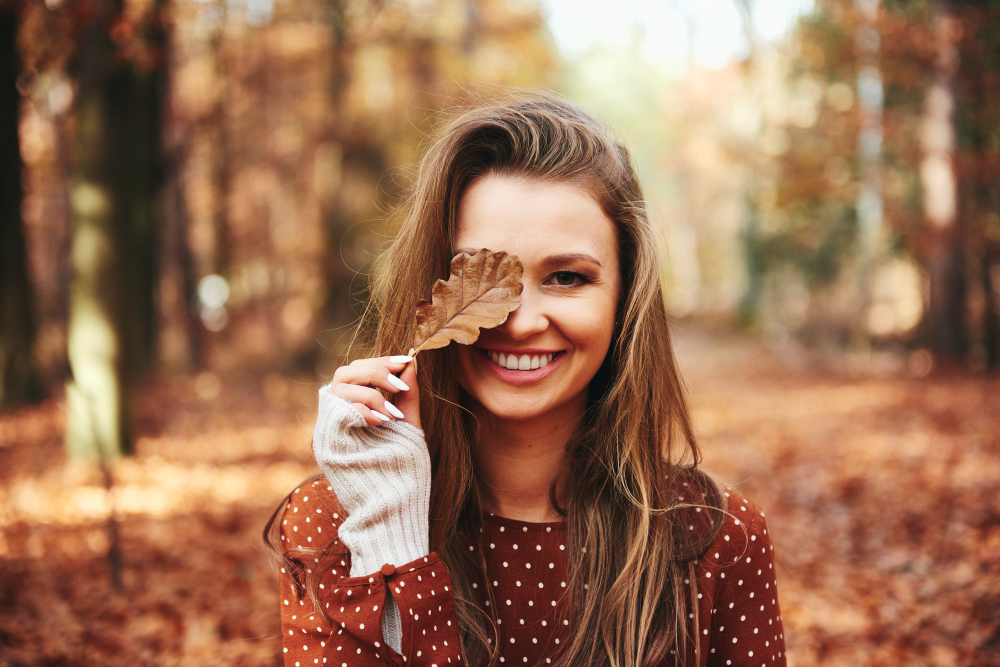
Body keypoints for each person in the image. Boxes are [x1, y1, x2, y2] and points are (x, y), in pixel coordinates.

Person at [264, 90, 787, 667]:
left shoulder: (718, 540)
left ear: (624, 299)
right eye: (482, 276)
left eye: (566, 277)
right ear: (432, 289)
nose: (519, 322)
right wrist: (393, 538)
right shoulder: (336, 525)